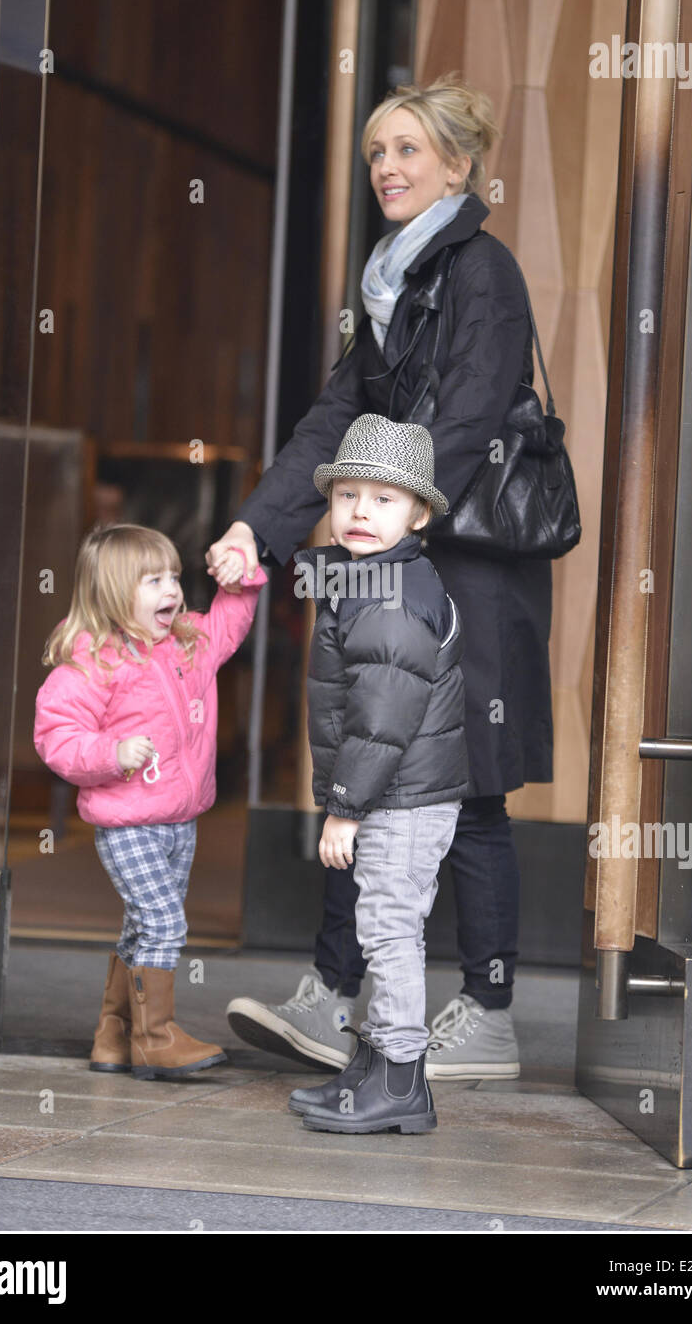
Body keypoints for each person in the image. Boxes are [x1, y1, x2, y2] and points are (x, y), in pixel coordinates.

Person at [211, 72, 553, 1080]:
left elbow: (469, 417)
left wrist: (384, 519)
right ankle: (335, 990)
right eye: (374, 154)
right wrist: (256, 527)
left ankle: (487, 1014)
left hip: (463, 572)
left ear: (457, 163)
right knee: (360, 765)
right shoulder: (390, 283)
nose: (386, 169)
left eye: (407, 150)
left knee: (468, 789)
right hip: (394, 560)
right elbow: (333, 418)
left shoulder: (478, 273)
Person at [33, 523, 267, 1080]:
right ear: (114, 594)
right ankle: (156, 1039)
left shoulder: (186, 644)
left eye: (175, 578)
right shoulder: (94, 661)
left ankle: (112, 1038)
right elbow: (56, 735)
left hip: (179, 821)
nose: (173, 591)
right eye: (154, 580)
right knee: (164, 923)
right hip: (128, 822)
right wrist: (111, 752)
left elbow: (230, 627)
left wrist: (239, 583)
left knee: (141, 928)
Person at [289, 414, 468, 1133]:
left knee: (390, 930)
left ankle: (398, 1079)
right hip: (393, 794)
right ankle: (374, 1065)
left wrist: (345, 807)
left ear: (419, 513)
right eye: (348, 495)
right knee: (380, 926)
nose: (361, 511)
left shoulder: (390, 599)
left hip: (399, 796)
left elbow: (382, 717)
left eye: (384, 499)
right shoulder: (371, 578)